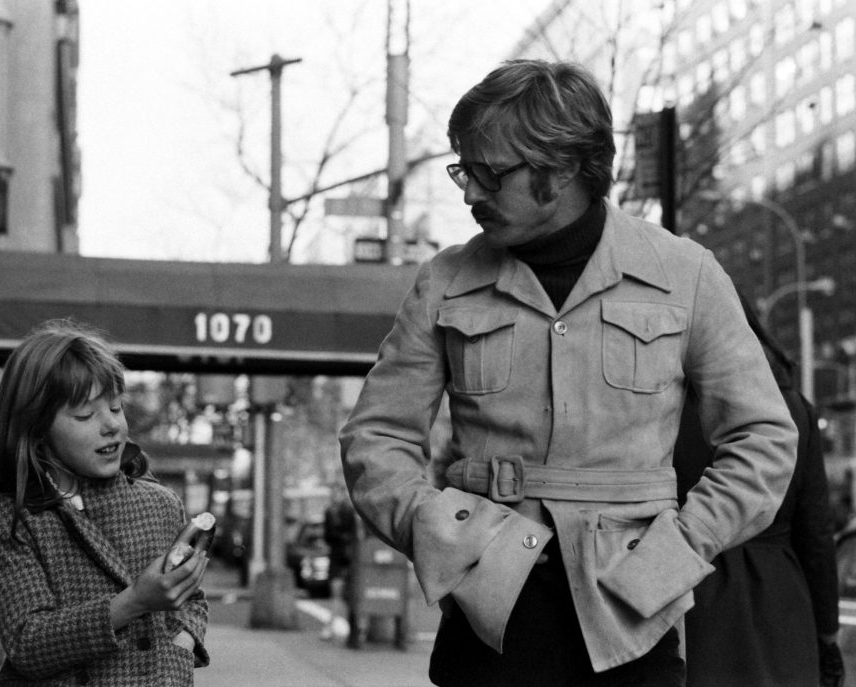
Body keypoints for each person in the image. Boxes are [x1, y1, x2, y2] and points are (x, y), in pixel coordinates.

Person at [339, 59, 798, 686]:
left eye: (488, 174)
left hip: (632, 626)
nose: (470, 193)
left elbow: (764, 440)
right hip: (487, 629)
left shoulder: (685, 275)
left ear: (559, 172)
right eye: (462, 171)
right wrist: (441, 535)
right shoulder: (444, 280)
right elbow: (376, 438)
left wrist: (678, 550)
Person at [0, 319, 210, 686]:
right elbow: (29, 643)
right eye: (85, 415)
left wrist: (180, 648)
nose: (112, 426)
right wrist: (134, 601)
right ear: (37, 429)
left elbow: (192, 599)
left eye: (116, 407)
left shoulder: (160, 504)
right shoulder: (5, 520)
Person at [674, 296, 845, 687]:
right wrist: (826, 631)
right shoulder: (793, 408)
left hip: (692, 597)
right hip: (782, 605)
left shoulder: (664, 408)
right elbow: (816, 534)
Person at [320, 482, 357, 644]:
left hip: (347, 557)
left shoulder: (348, 512)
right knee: (337, 592)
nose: (335, 496)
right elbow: (328, 536)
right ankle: (333, 626)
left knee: (347, 594)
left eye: (337, 493)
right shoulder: (330, 512)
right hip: (338, 556)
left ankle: (347, 627)